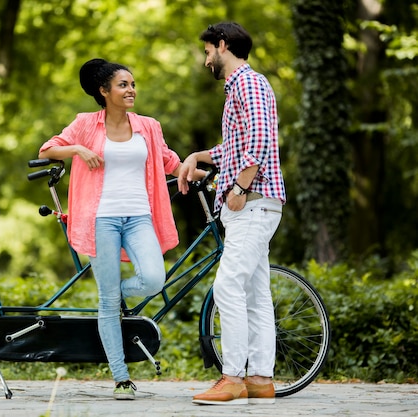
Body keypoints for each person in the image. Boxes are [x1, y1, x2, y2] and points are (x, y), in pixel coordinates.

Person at [39, 58, 205, 400]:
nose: (131, 90)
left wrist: (211, 177)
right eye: (123, 85)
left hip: (140, 216)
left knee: (153, 279)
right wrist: (79, 149)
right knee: (107, 301)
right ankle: (121, 378)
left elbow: (170, 162)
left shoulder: (148, 125)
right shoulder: (86, 124)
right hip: (100, 218)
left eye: (132, 84)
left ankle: (111, 294)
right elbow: (48, 148)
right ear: (104, 91)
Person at [177, 22, 286, 405]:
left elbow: (259, 139)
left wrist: (239, 187)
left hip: (252, 200)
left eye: (208, 50)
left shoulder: (248, 82)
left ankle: (233, 377)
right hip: (253, 201)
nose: (206, 58)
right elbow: (235, 147)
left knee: (227, 287)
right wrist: (197, 156)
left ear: (222, 45)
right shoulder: (240, 88)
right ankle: (260, 379)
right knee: (256, 293)